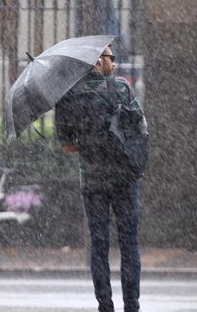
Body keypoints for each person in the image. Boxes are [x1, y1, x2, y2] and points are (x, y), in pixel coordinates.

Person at [55, 45, 144, 312]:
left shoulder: (67, 96)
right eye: (110, 58)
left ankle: (105, 304)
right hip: (124, 177)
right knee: (129, 242)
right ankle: (132, 304)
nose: (114, 64)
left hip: (93, 180)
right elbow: (139, 128)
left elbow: (68, 146)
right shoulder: (123, 88)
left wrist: (91, 144)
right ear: (96, 62)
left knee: (99, 243)